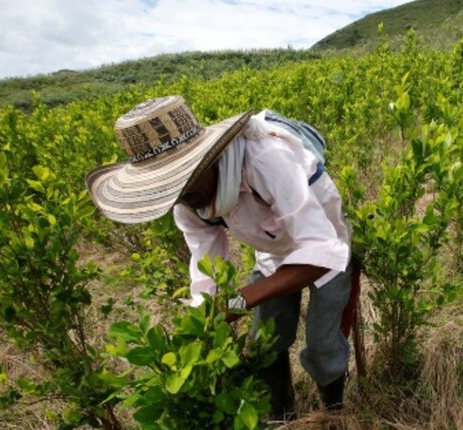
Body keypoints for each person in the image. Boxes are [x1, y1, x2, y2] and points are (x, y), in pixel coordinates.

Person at [85, 95, 352, 420]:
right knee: (265, 346)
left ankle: (334, 413)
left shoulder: (266, 159)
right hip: (273, 251)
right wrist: (204, 323)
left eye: (186, 178)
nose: (181, 195)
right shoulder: (188, 202)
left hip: (326, 241)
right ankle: (281, 418)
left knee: (323, 343)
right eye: (170, 187)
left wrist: (236, 304)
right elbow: (205, 273)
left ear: (210, 157)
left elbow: (320, 253)